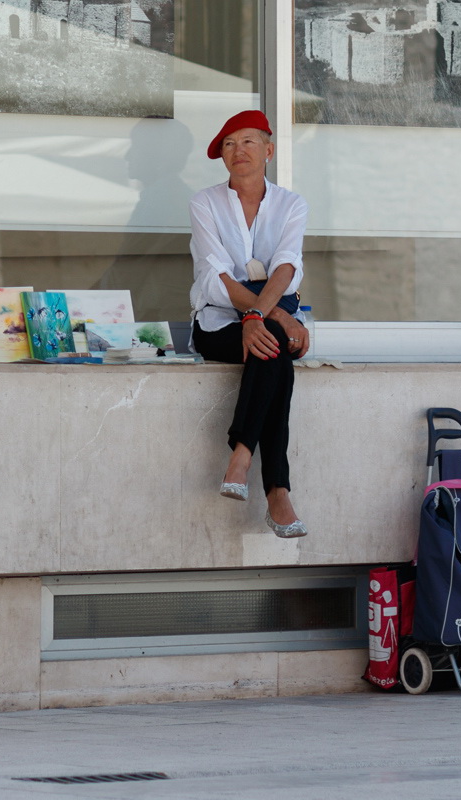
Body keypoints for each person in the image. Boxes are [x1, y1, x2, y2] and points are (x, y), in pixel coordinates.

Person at [189, 110, 310, 538]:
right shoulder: (204, 202)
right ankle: (277, 490)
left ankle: (241, 456)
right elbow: (215, 276)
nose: (238, 151)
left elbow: (286, 265)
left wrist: (259, 315)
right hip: (217, 324)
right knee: (276, 343)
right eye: (228, 144)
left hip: (261, 320)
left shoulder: (291, 204)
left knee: (272, 348)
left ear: (269, 150)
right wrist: (270, 312)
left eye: (248, 142)